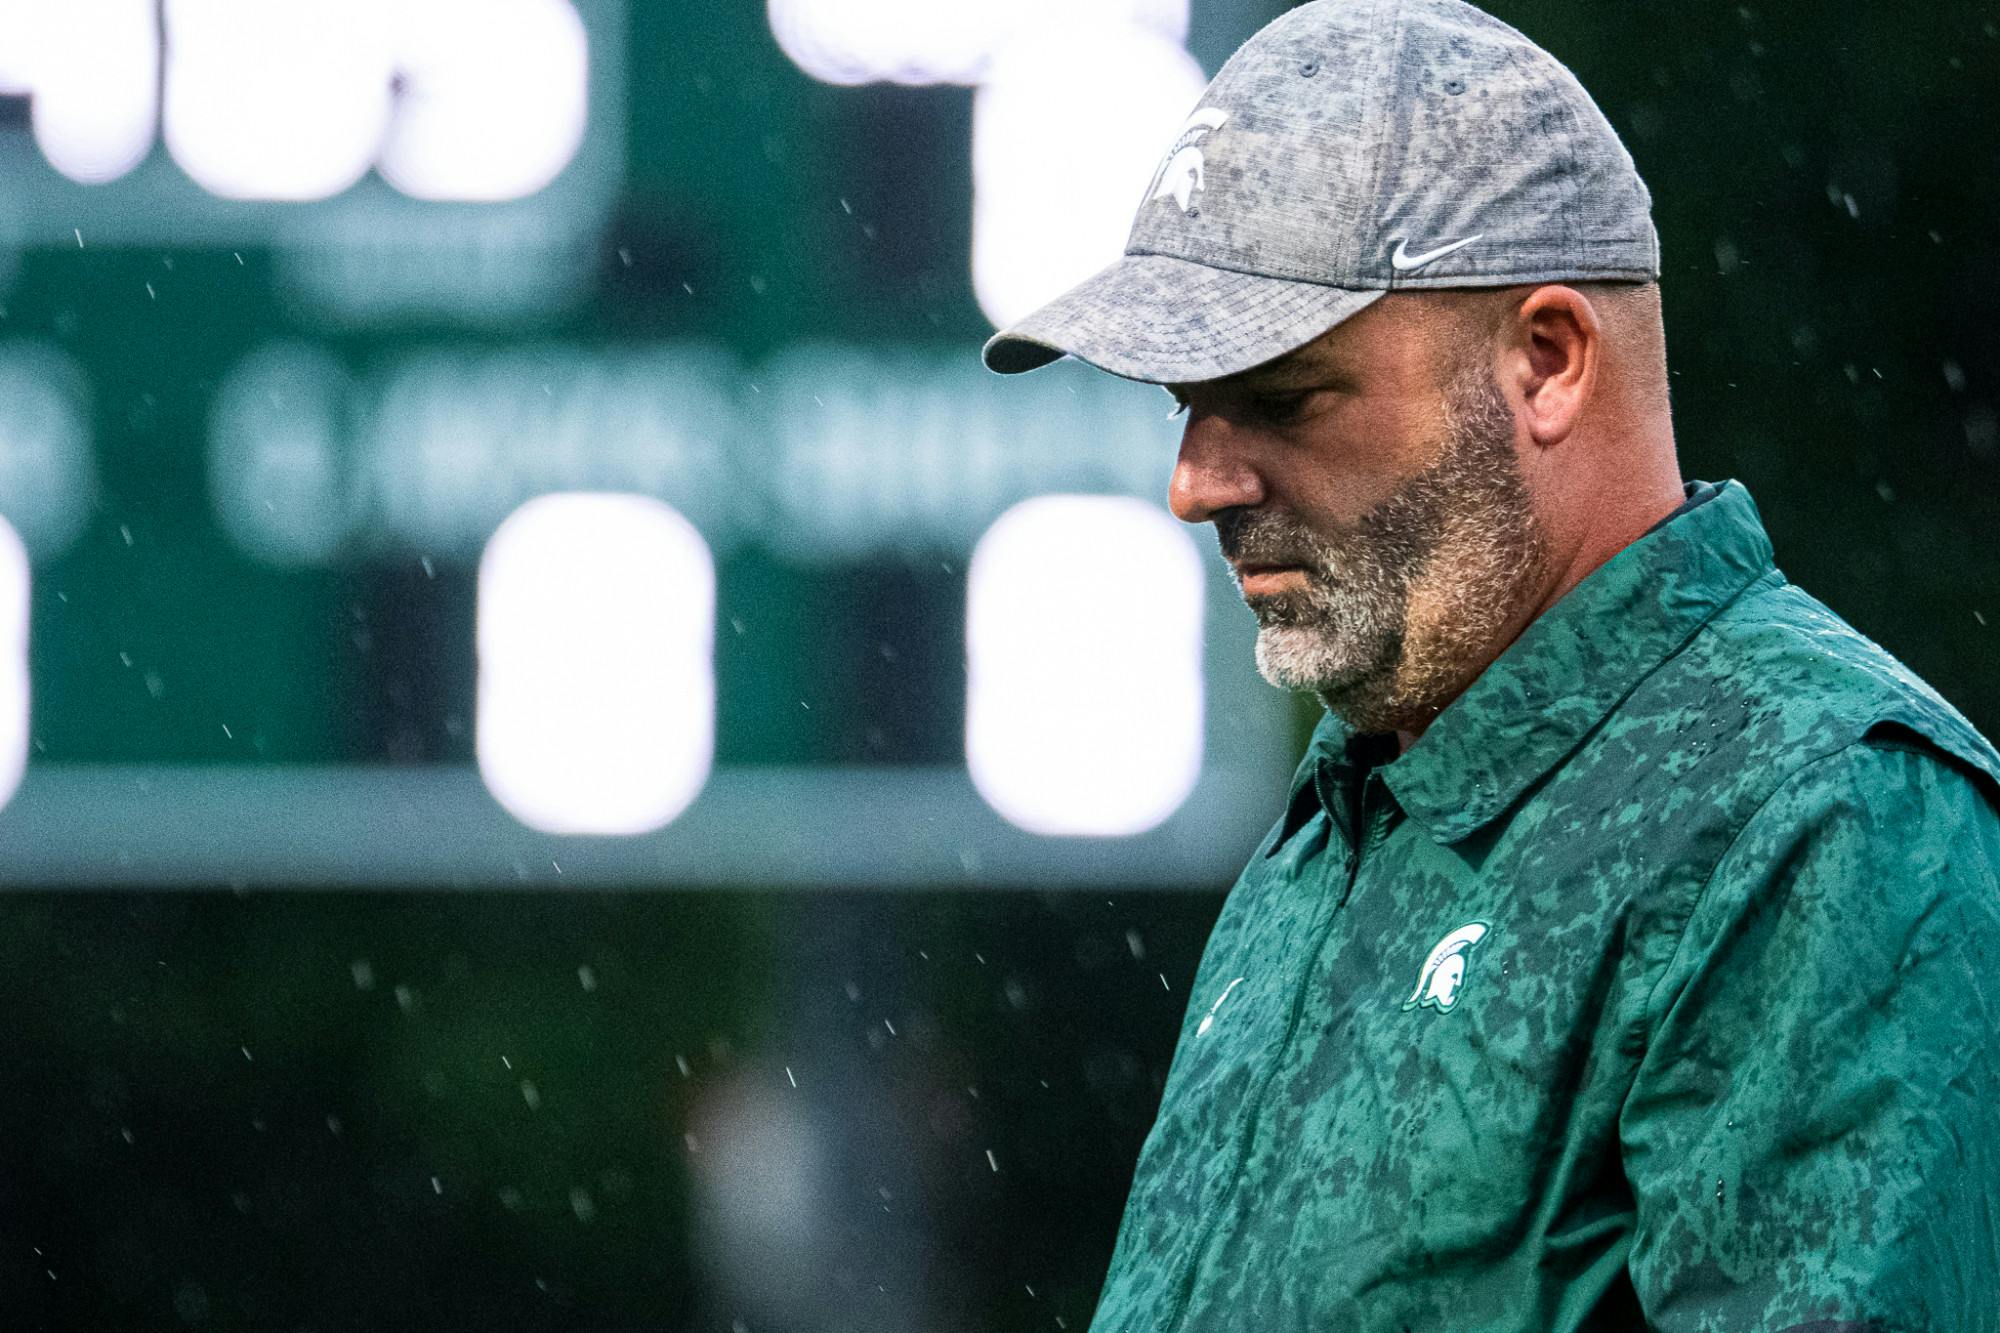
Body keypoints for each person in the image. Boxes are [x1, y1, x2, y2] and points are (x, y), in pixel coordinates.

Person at [980, 0, 2000, 1328]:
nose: (1197, 483)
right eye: (1188, 409)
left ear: (1550, 360)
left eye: (1282, 399)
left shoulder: (1831, 816)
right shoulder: (1352, 805)